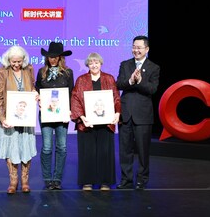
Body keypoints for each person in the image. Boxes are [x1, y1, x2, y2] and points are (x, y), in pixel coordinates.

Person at [0, 45, 38, 194]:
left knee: (26, 146)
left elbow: (32, 87)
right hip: (9, 117)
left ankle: (25, 180)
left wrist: (35, 93)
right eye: (13, 62)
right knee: (11, 148)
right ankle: (13, 181)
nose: (16, 64)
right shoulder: (2, 72)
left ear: (23, 60)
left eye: (19, 61)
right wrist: (2, 117)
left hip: (25, 116)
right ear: (8, 60)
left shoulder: (28, 69)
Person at [70, 52, 120, 191]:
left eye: (96, 62)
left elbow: (116, 97)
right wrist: (82, 117)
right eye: (91, 63)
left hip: (105, 123)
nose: (94, 65)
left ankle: (105, 182)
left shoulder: (109, 78)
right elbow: (75, 99)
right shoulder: (81, 80)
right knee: (88, 153)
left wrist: (117, 112)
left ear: (101, 63)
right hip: (87, 123)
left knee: (105, 152)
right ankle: (88, 181)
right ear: (88, 65)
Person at [116, 35, 160, 190]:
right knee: (125, 150)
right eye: (134, 47)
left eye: (139, 47)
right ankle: (126, 179)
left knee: (142, 150)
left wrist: (140, 81)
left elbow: (152, 89)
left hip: (143, 115)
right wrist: (130, 81)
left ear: (146, 49)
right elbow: (119, 84)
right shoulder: (125, 65)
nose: (136, 50)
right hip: (126, 113)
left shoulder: (154, 67)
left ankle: (142, 179)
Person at [35, 41, 74, 191]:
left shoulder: (68, 73)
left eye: (55, 56)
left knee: (62, 147)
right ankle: (47, 178)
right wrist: (37, 96)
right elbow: (37, 88)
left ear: (60, 57)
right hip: (46, 114)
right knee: (46, 147)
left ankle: (57, 178)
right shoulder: (41, 72)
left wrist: (69, 111)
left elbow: (71, 92)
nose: (52, 59)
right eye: (50, 57)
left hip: (62, 114)